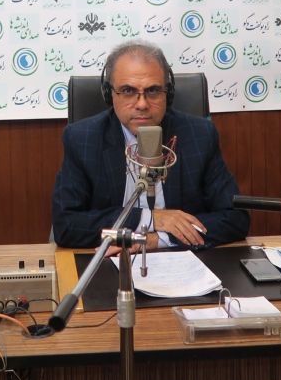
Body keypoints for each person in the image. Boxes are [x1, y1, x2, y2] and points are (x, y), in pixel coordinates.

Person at [51, 41, 250, 250]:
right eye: (128, 91)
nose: (142, 104)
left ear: (168, 94)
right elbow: (67, 225)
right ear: (109, 94)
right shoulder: (82, 139)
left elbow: (235, 218)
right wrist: (152, 219)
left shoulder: (199, 135)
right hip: (111, 259)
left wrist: (156, 240)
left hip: (182, 260)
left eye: (153, 90)